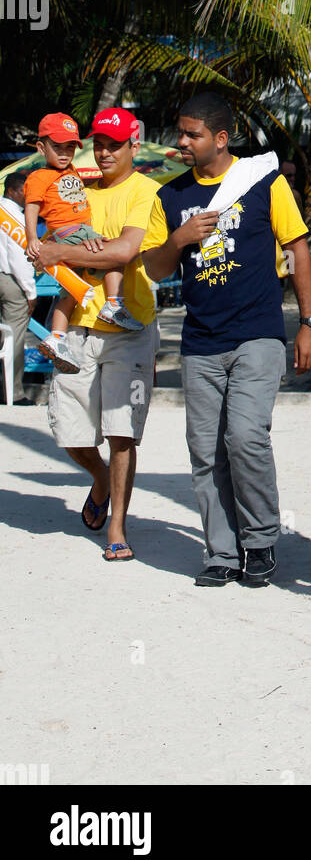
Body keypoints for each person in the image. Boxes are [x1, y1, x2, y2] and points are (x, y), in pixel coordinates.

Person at [141, 93, 311, 588]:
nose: (181, 141)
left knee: (245, 437)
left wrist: (309, 323)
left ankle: (259, 542)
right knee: (205, 451)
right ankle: (221, 551)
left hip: (257, 334)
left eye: (191, 134)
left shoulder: (264, 183)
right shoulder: (170, 197)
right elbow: (154, 268)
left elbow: (297, 248)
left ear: (220, 139)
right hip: (200, 341)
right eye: (181, 132)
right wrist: (179, 240)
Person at [32, 108, 161, 560]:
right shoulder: (76, 187)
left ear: (134, 146)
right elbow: (50, 233)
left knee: (121, 433)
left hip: (129, 326)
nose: (104, 152)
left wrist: (59, 250)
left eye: (115, 144)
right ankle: (101, 478)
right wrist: (43, 248)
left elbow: (124, 251)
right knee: (70, 434)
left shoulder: (146, 191)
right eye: (99, 143)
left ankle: (118, 528)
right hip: (78, 327)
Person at [24, 112, 142, 373]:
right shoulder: (38, 177)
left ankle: (56, 337)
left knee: (70, 293)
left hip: (78, 230)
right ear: (42, 148)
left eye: (70, 147)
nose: (65, 153)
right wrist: (32, 237)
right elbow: (31, 207)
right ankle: (114, 304)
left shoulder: (71, 171)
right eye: (57, 147)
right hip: (70, 231)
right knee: (111, 256)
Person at [0, 171, 37, 404]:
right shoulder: (15, 217)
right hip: (10, 280)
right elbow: (19, 258)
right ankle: (12, 393)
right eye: (26, 191)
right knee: (13, 337)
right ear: (12, 190)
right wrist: (31, 293)